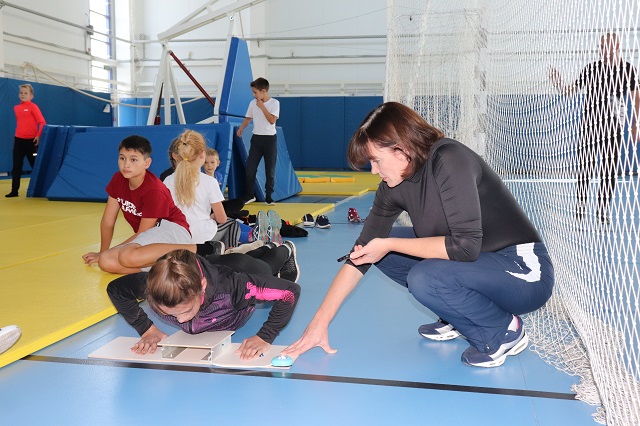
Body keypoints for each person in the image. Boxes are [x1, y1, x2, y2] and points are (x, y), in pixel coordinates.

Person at [282, 102, 554, 368]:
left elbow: (465, 247)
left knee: (421, 273)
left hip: (522, 271)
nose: (374, 171)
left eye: (376, 160)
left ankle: (502, 330)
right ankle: (457, 313)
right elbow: (359, 255)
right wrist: (318, 324)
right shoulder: (392, 186)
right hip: (477, 267)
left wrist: (387, 243)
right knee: (381, 251)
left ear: (401, 150)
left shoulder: (449, 159)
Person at [106, 246, 300, 358]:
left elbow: (289, 293)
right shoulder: (152, 286)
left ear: (202, 287)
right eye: (168, 314)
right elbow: (116, 290)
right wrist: (146, 329)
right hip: (211, 262)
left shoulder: (236, 288)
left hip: (241, 267)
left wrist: (265, 336)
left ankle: (283, 249)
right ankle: (259, 248)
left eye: (186, 310)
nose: (181, 321)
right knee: (242, 257)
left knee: (268, 266)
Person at [549, 33, 640, 223]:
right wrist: (558, 83)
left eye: (604, 45)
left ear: (616, 46)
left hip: (613, 126)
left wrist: (635, 123)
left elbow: (636, 97)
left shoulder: (628, 70)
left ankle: (602, 209)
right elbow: (570, 91)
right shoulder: (592, 68)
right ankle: (581, 206)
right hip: (589, 125)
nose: (601, 49)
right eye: (600, 46)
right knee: (586, 167)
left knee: (609, 170)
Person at [81, 135, 196, 274]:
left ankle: (197, 250)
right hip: (151, 237)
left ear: (146, 163)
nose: (126, 164)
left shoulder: (154, 190)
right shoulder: (118, 179)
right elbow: (107, 221)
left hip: (173, 231)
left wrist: (112, 251)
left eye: (133, 160)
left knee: (126, 256)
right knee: (105, 261)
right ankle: (166, 268)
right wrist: (102, 252)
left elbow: (143, 232)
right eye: (122, 158)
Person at [162, 130, 229, 245]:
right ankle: (224, 250)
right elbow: (222, 219)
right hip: (199, 236)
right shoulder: (210, 182)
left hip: (172, 235)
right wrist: (212, 216)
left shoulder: (167, 180)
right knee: (231, 223)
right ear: (202, 154)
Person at [236, 77, 280, 205]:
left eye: (255, 92)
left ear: (263, 91)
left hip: (270, 140)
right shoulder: (252, 103)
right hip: (256, 139)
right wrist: (241, 128)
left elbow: (272, 120)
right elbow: (248, 118)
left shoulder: (274, 103)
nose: (253, 95)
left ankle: (268, 196)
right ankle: (250, 194)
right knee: (250, 168)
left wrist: (262, 107)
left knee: (269, 169)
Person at [6, 84, 46, 198]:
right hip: (19, 140)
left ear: (31, 96)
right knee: (16, 166)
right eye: (21, 93)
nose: (22, 94)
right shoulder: (16, 108)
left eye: (25, 93)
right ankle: (14, 191)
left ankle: (41, 189)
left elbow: (42, 122)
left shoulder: (33, 107)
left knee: (35, 165)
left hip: (31, 142)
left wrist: (38, 135)